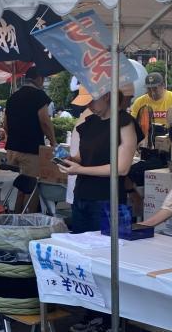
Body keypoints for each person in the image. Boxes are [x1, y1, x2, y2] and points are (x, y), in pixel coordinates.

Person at [58, 89, 138, 234]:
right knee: (80, 248)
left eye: (92, 101)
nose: (89, 106)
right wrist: (69, 160)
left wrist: (79, 169)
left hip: (106, 199)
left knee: (103, 250)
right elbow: (84, 158)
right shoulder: (89, 123)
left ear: (106, 96)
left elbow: (122, 168)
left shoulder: (125, 123)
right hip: (81, 196)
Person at [2, 67, 56, 181]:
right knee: (31, 189)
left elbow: (5, 124)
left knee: (19, 186)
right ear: (39, 78)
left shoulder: (13, 97)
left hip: (12, 150)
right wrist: (53, 142)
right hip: (30, 150)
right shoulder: (39, 95)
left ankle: (16, 200)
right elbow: (45, 122)